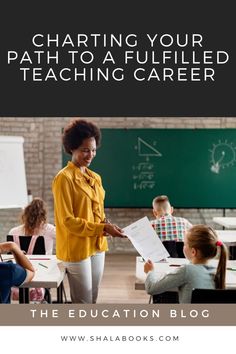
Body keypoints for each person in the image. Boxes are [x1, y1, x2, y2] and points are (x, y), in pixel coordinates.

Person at [52, 119, 124, 303]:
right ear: (72, 148)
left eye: (93, 150)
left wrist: (106, 224)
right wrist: (103, 229)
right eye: (85, 150)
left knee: (92, 298)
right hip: (76, 247)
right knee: (82, 302)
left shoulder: (95, 177)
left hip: (98, 245)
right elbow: (68, 221)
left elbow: (97, 211)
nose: (90, 155)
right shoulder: (64, 179)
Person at [144, 224, 228, 303]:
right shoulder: (217, 272)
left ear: (193, 252)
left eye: (184, 244)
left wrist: (150, 271)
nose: (183, 246)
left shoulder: (186, 270)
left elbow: (151, 288)